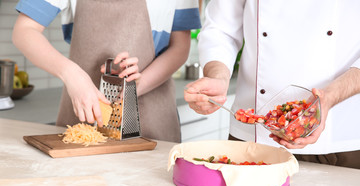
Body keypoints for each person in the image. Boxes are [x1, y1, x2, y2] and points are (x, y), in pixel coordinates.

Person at [184, 0, 360, 169]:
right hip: (252, 140)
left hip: (339, 139)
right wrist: (218, 76)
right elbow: (220, 29)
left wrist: (329, 97)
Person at [12, 0, 201, 143]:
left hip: (154, 111)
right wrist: (71, 74)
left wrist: (138, 86)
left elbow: (180, 47)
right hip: (83, 112)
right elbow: (24, 30)